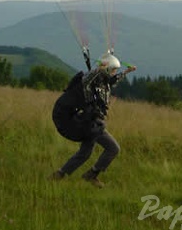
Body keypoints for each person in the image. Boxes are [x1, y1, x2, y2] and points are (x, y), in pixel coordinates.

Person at [51, 51, 136, 188]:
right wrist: (99, 69)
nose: (115, 72)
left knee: (84, 154)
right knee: (113, 148)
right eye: (113, 69)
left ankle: (60, 174)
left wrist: (126, 71)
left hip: (89, 123)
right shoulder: (90, 84)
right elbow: (87, 79)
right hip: (91, 123)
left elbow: (113, 81)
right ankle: (91, 175)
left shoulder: (104, 82)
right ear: (107, 69)